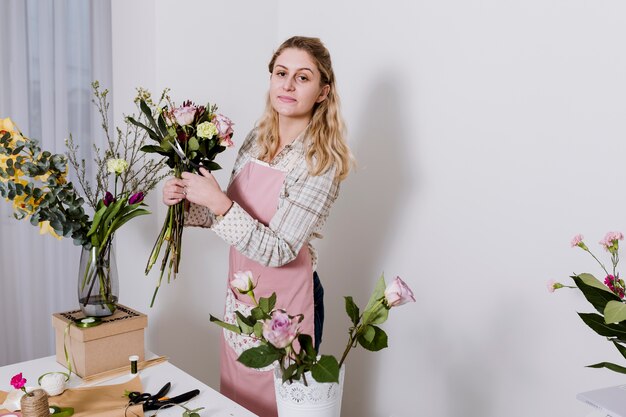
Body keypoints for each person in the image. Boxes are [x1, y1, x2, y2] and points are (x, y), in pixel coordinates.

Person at [162, 35, 353, 417]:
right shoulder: (257, 139)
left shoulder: (321, 160)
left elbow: (279, 249)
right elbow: (231, 211)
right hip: (243, 300)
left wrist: (216, 200)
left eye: (302, 77)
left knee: (282, 405)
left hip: (290, 306)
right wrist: (187, 201)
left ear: (322, 91)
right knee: (237, 402)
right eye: (281, 73)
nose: (287, 84)